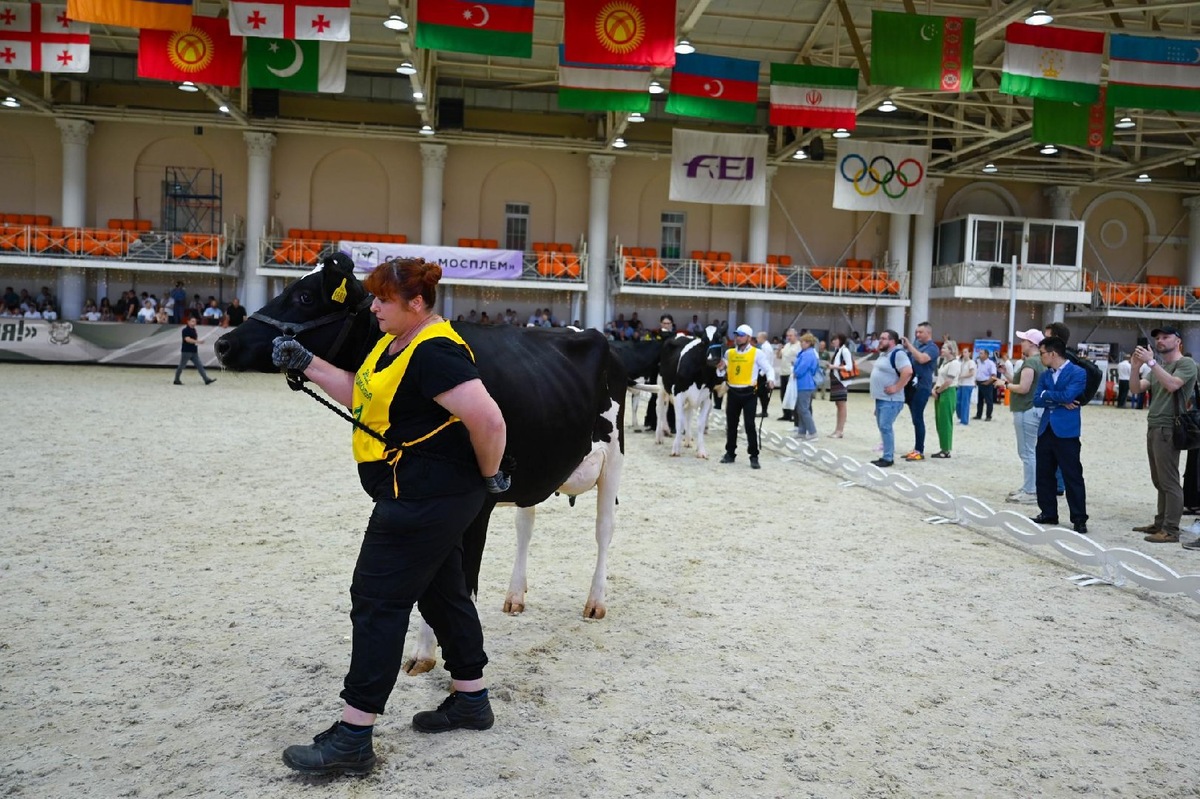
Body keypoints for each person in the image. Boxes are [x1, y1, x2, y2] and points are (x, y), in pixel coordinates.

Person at [270, 258, 508, 776]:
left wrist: (490, 476)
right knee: (442, 591)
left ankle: (354, 737)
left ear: (416, 305)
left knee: (377, 600)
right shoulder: (392, 343)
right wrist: (306, 361)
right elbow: (363, 395)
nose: (373, 307)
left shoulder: (437, 351)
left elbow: (489, 419)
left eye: (383, 300)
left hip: (426, 497)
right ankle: (471, 698)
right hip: (422, 493)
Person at [1128, 326, 1199, 545]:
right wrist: (1134, 368)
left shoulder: (1185, 364)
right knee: (1159, 480)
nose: (1160, 341)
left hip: (1169, 426)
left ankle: (1170, 529)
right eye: (1157, 338)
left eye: (1166, 337)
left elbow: (1172, 385)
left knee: (1169, 481)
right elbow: (1137, 388)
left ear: (1178, 341)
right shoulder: (1161, 366)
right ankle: (1160, 523)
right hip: (1155, 425)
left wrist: (1151, 362)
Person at [1031, 336, 1088, 534]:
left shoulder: (1077, 372)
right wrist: (1058, 400)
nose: (1041, 357)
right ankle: (1048, 512)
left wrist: (1050, 396)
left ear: (1053, 353)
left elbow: (1068, 396)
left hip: (1067, 431)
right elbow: (1036, 399)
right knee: (1044, 474)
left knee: (1072, 475)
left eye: (1042, 353)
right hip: (1046, 429)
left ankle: (1079, 518)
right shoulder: (1046, 375)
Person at [718, 323, 775, 469]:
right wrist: (720, 369)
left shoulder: (757, 353)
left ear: (749, 338)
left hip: (749, 393)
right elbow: (721, 373)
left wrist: (770, 379)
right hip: (733, 392)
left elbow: (768, 368)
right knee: (731, 424)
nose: (738, 338)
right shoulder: (729, 353)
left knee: (750, 425)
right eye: (737, 335)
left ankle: (754, 456)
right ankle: (730, 453)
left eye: (741, 335)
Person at [999, 330, 1045, 505]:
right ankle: (1029, 486)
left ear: (1032, 343)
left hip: (1026, 409)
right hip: (1033, 409)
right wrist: (1007, 376)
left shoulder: (1030, 363)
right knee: (1029, 451)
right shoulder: (1040, 361)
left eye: (1024, 340)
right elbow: (1025, 384)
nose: (1021, 343)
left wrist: (1004, 384)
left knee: (1027, 452)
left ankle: (1030, 490)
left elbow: (1023, 388)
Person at [869, 330, 911, 468]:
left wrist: (897, 387)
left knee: (886, 427)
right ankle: (886, 455)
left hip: (892, 399)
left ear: (892, 341)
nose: (880, 341)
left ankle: (888, 458)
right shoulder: (884, 354)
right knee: (883, 427)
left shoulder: (898, 354)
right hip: (882, 399)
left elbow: (907, 371)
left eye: (883, 338)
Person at [899, 321, 939, 461]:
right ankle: (916, 448)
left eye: (920, 332)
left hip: (922, 387)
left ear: (928, 333)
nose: (917, 335)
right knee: (915, 419)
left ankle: (919, 450)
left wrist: (909, 346)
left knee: (918, 418)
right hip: (910, 386)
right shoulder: (917, 346)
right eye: (916, 332)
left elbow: (922, 359)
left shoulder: (932, 348)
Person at [929, 338, 960, 458]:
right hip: (940, 390)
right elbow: (940, 379)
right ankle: (942, 446)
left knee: (945, 421)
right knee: (939, 420)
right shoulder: (944, 362)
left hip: (948, 392)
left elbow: (948, 381)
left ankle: (946, 449)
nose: (942, 350)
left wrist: (939, 390)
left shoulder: (955, 363)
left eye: (944, 348)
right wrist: (934, 389)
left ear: (951, 350)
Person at [791, 332, 821, 439]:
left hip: (805, 384)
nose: (801, 344)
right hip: (802, 384)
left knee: (803, 409)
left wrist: (796, 372)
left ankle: (812, 432)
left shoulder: (808, 354)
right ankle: (802, 431)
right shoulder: (806, 353)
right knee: (801, 408)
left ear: (808, 343)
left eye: (802, 342)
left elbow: (803, 367)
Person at [173, 316, 217, 386]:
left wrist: (197, 342)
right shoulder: (185, 330)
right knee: (182, 366)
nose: (194, 323)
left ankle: (206, 379)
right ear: (188, 322)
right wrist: (198, 341)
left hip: (194, 351)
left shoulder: (194, 330)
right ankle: (176, 379)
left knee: (200, 366)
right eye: (192, 321)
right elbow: (187, 339)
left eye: (195, 321)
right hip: (186, 351)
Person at [827, 333, 854, 438]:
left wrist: (834, 366)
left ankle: (840, 430)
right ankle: (837, 429)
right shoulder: (837, 351)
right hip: (836, 380)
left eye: (835, 339)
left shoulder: (845, 350)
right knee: (838, 404)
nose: (833, 341)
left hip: (841, 381)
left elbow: (849, 366)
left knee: (841, 405)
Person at [776, 328, 801, 422]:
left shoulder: (799, 346)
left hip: (792, 373)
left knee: (792, 394)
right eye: (787, 336)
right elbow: (779, 356)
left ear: (796, 336)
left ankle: (794, 414)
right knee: (783, 394)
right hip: (783, 372)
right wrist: (779, 350)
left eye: (790, 336)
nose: (788, 337)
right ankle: (786, 414)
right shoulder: (786, 345)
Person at [974, 350, 997, 420]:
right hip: (979, 383)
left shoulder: (991, 363)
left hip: (987, 383)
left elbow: (994, 375)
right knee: (979, 400)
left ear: (986, 355)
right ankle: (978, 415)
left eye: (981, 353)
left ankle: (988, 416)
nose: (979, 355)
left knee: (988, 400)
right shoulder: (978, 362)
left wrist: (987, 382)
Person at [755, 331, 774, 418]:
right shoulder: (764, 346)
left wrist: (761, 373)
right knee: (761, 393)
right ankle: (763, 410)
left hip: (764, 373)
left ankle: (764, 411)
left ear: (762, 338)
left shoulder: (766, 347)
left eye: (758, 337)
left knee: (763, 393)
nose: (757, 339)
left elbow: (766, 361)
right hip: (764, 372)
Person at [955, 348, 976, 425]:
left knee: (965, 403)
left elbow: (971, 373)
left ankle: (964, 420)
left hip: (968, 384)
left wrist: (961, 376)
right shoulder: (962, 362)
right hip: (961, 384)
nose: (964, 354)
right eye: (963, 352)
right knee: (957, 401)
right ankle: (961, 417)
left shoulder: (971, 362)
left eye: (965, 352)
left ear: (969, 353)